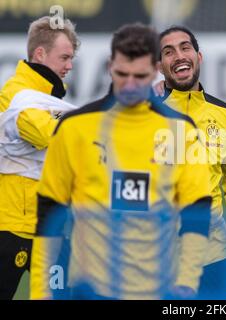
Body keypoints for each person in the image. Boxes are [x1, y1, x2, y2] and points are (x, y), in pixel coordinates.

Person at [30, 23, 212, 300]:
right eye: (122, 74)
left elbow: (197, 210)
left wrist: (187, 282)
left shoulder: (181, 131)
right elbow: (49, 211)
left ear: (155, 69)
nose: (129, 85)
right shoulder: (74, 127)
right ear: (110, 66)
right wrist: (39, 292)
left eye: (139, 76)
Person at [158, 26, 226, 300]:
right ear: (160, 66)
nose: (178, 56)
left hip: (215, 252)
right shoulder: (142, 117)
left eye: (185, 48)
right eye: (168, 52)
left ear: (199, 56)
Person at [0, 16, 79, 300]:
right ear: (40, 54)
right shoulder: (18, 95)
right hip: (14, 225)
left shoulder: (45, 98)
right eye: (65, 57)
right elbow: (51, 136)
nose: (70, 65)